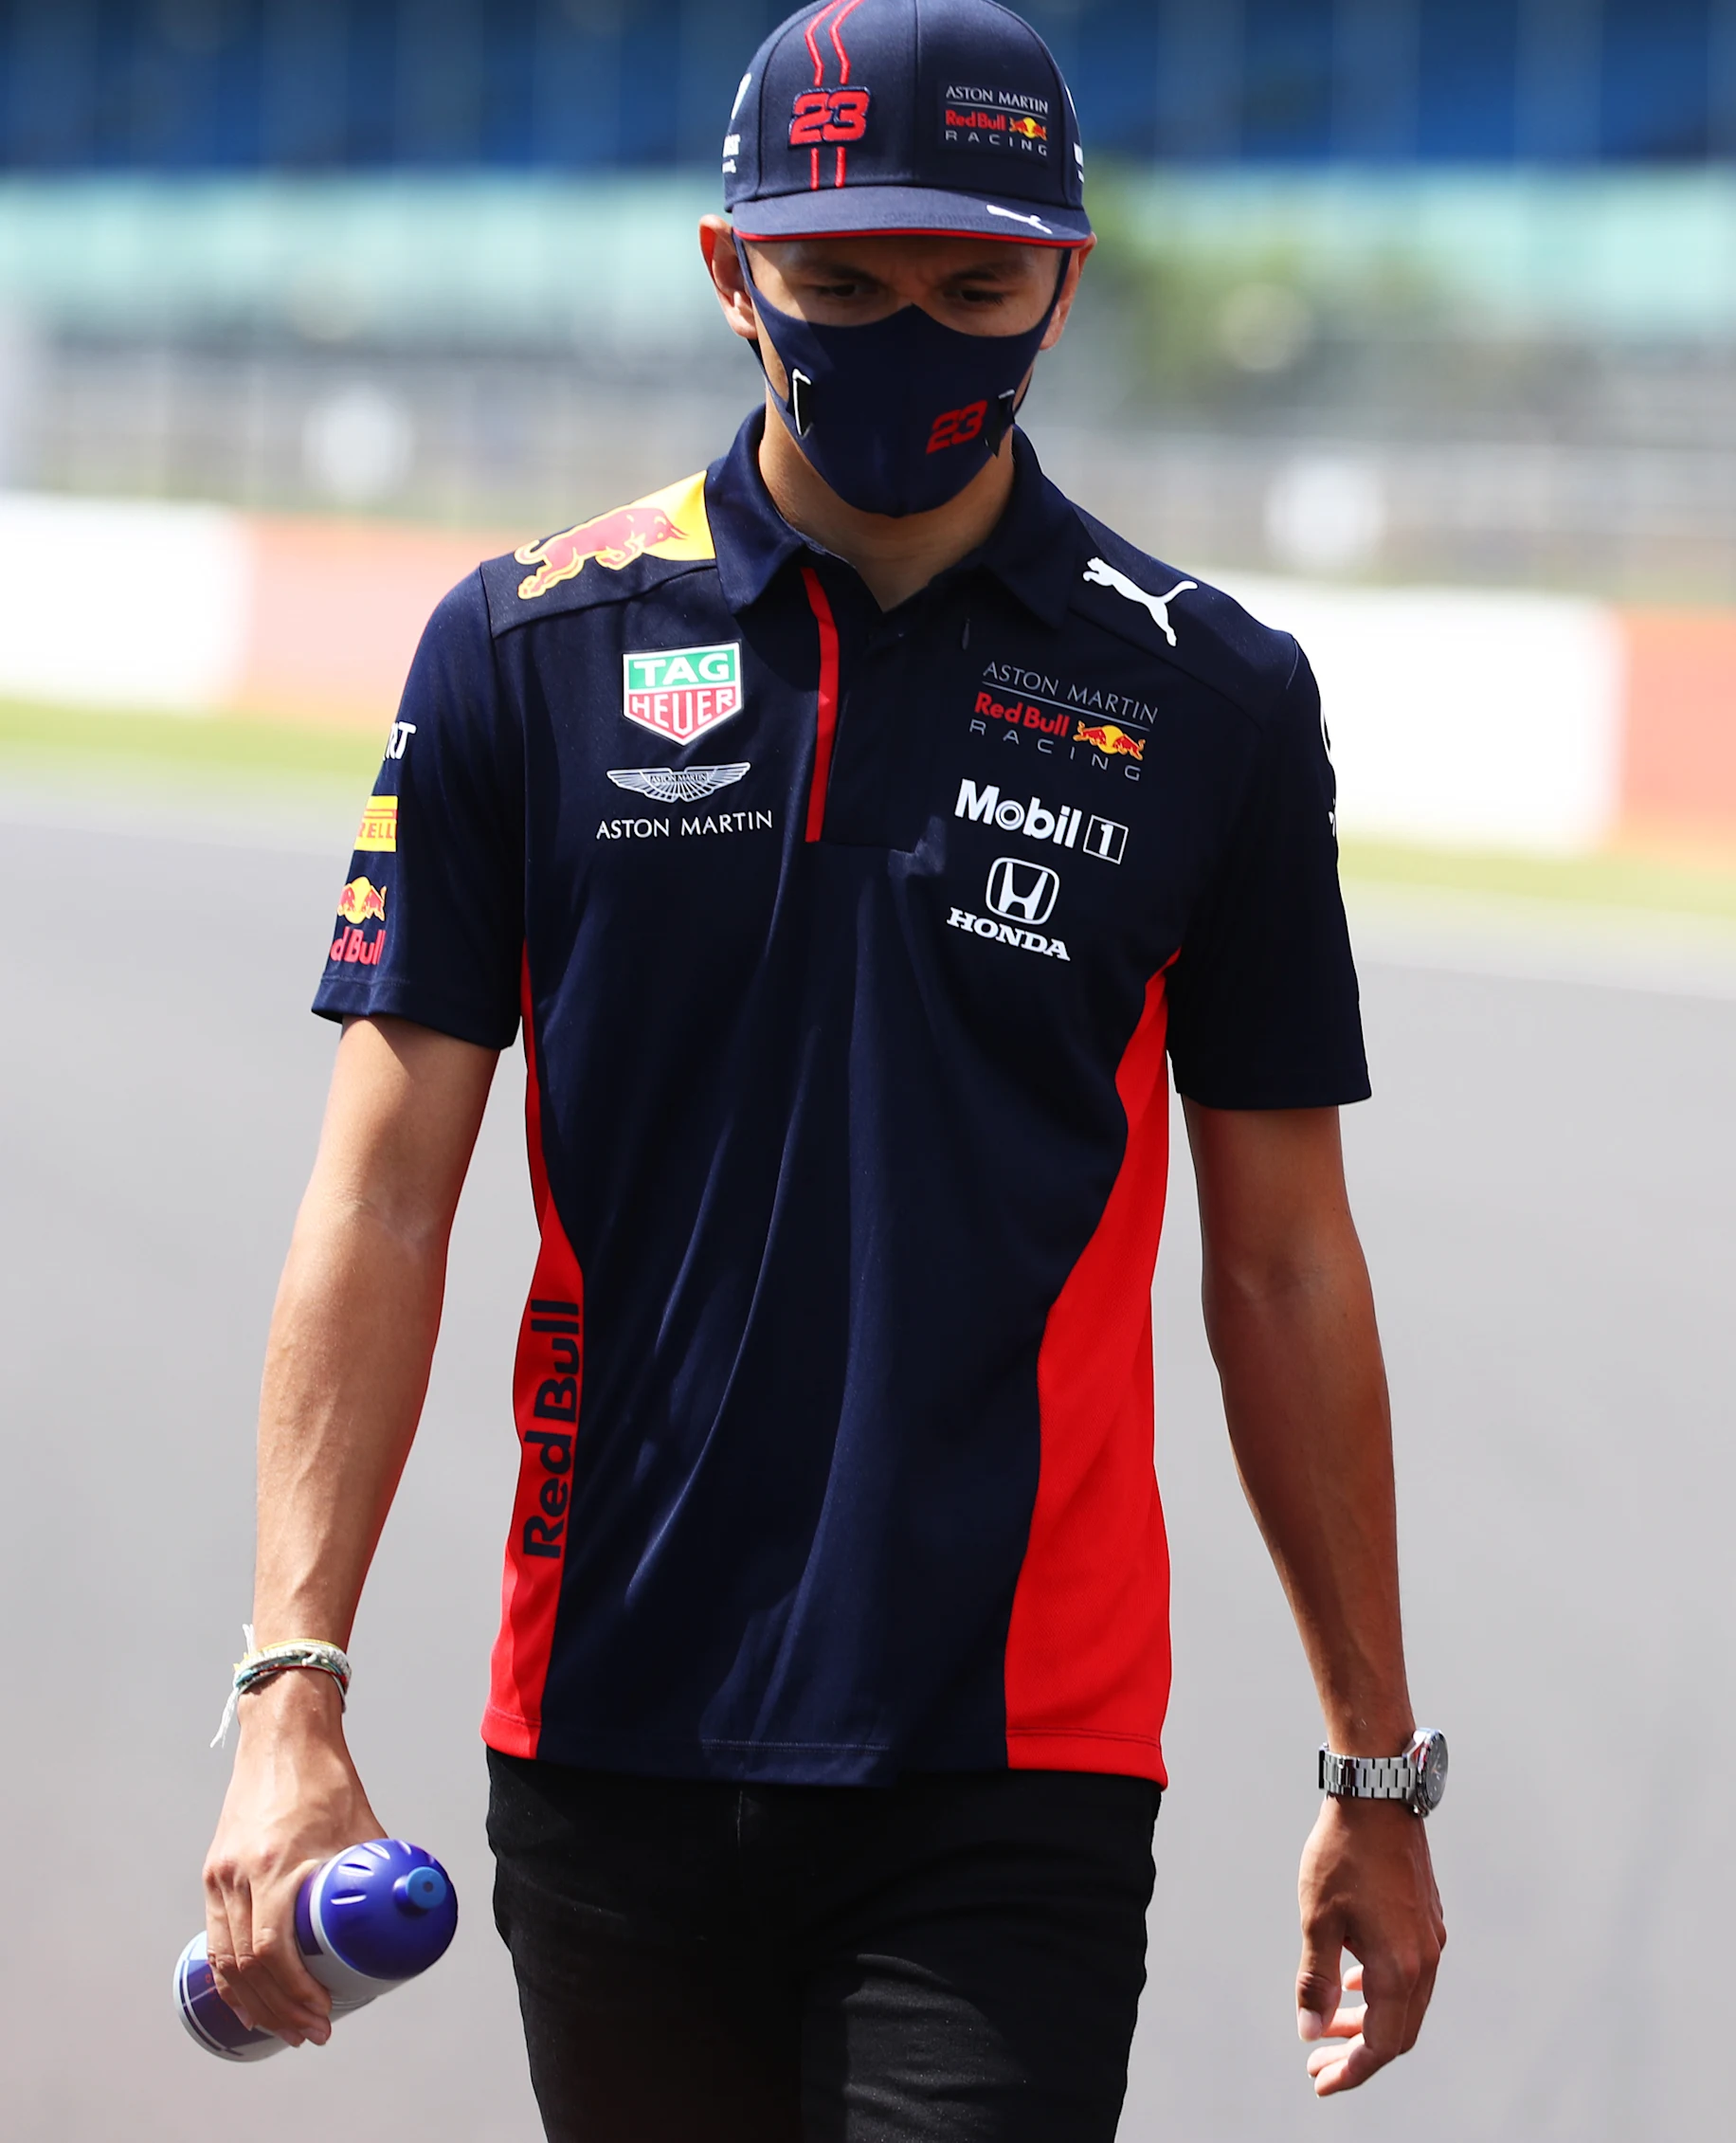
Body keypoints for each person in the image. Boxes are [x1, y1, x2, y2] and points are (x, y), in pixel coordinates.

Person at [195, 4, 1444, 2134]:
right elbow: (380, 1199)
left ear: (1064, 272)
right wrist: (287, 1678)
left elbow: (1286, 1267)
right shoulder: (524, 650)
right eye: (840, 287)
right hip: (602, 1719)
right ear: (727, 269)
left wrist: (1371, 1761)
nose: (908, 339)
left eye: (975, 288)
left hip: (1016, 1752)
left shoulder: (1213, 695)